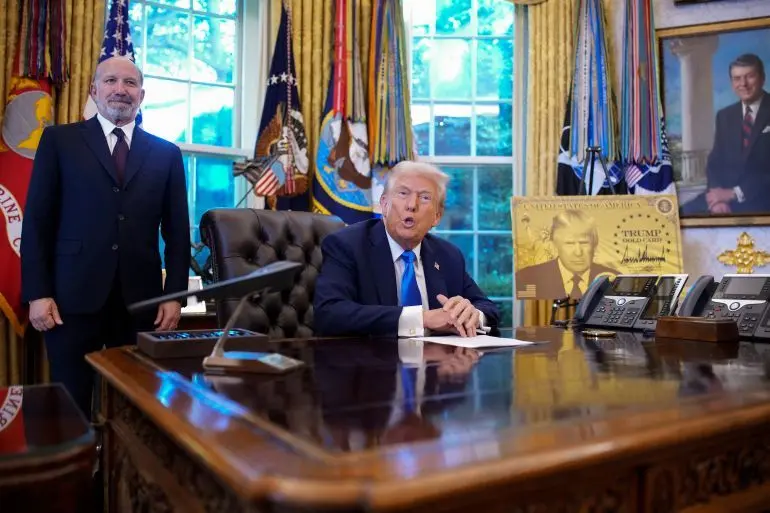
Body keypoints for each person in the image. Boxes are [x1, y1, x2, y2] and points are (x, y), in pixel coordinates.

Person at [21, 56, 190, 416]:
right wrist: (37, 292)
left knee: (133, 410)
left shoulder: (167, 154)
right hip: (69, 300)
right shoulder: (59, 141)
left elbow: (178, 233)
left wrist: (175, 296)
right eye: (111, 81)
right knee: (70, 410)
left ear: (141, 94)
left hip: (140, 304)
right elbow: (37, 221)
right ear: (94, 90)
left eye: (130, 83)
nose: (120, 89)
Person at [313, 160, 499, 337]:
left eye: (424, 197)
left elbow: (488, 308)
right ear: (384, 205)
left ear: (437, 216)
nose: (412, 205)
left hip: (437, 358)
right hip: (371, 357)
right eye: (403, 193)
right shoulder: (347, 245)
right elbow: (329, 313)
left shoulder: (448, 255)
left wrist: (472, 315)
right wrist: (423, 319)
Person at [683, 53, 770, 215]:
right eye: (737, 79)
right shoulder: (725, 116)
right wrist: (718, 198)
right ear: (732, 83)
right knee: (680, 214)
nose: (743, 84)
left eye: (750, 76)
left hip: (761, 197)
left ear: (762, 78)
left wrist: (735, 194)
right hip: (723, 195)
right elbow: (715, 162)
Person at [515, 210, 618, 299]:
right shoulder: (529, 277)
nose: (578, 252)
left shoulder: (614, 279)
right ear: (555, 245)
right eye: (569, 243)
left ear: (594, 245)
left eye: (584, 242)